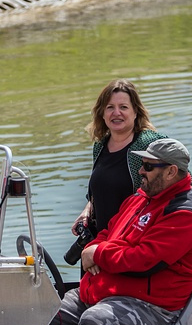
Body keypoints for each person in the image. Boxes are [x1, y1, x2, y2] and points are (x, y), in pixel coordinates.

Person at [52, 138, 192, 325]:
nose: (140, 171)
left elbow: (143, 260)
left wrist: (97, 254)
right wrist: (91, 249)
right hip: (102, 294)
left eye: (148, 166)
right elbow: (108, 232)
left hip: (152, 308)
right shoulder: (139, 199)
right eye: (142, 165)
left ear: (171, 172)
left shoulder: (185, 214)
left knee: (95, 321)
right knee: (49, 314)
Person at [71, 79, 168, 246]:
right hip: (101, 243)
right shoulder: (100, 145)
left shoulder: (151, 144)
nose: (116, 113)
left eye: (123, 107)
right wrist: (88, 208)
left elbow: (183, 189)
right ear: (102, 113)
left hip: (133, 245)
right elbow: (105, 189)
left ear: (136, 111)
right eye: (110, 107)